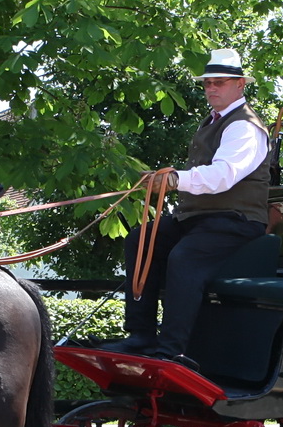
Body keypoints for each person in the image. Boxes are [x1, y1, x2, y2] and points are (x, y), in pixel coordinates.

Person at [102, 48, 271, 364]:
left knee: (184, 257)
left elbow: (223, 176)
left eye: (219, 82)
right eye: (208, 83)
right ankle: (140, 337)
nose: (211, 89)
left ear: (240, 85)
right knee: (140, 240)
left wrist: (175, 180)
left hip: (235, 220)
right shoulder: (212, 122)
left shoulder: (244, 127)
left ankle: (172, 350)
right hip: (197, 218)